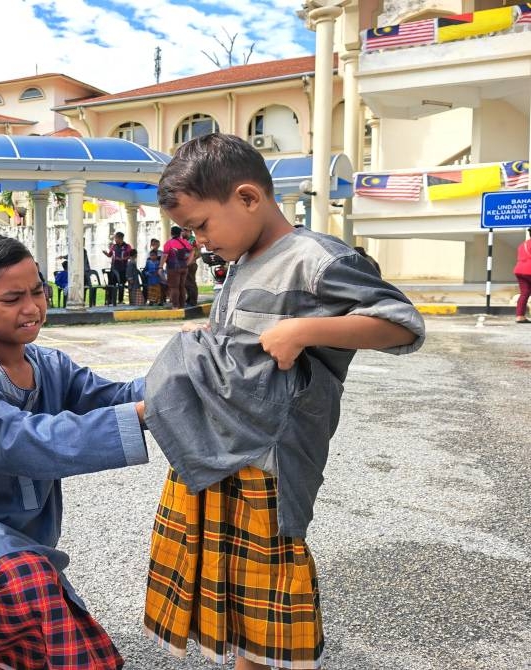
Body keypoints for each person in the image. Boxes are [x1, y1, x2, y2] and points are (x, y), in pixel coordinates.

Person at [142, 133, 425, 670]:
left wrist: (304, 330)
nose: (199, 240)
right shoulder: (243, 258)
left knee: (269, 579)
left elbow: (402, 326)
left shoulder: (315, 259)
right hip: (217, 447)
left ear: (248, 198)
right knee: (233, 585)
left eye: (201, 225)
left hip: (269, 459)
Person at [0, 235, 148, 670]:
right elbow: (14, 440)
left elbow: (116, 396)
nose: (32, 307)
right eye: (11, 298)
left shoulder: (51, 365)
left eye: (38, 290)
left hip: (26, 549)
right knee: (32, 597)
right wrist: (138, 414)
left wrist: (185, 372)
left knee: (67, 647)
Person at [160, 225, 193, 308]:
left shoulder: (168, 243)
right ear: (179, 233)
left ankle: (175, 306)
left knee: (174, 287)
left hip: (173, 268)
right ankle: (182, 305)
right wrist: (188, 262)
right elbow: (192, 250)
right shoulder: (184, 242)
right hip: (184, 267)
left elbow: (165, 256)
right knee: (182, 286)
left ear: (171, 233)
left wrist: (160, 266)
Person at [102, 231, 132, 304]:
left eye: (116, 238)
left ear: (120, 238)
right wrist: (106, 254)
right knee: (112, 284)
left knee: (121, 283)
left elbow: (131, 255)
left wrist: (123, 259)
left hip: (123, 268)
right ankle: (111, 300)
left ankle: (120, 300)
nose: (115, 240)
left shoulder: (127, 246)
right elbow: (110, 255)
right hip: (114, 268)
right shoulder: (114, 246)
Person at [515, 228, 531, 323]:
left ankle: (520, 316)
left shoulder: (523, 245)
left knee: (524, 293)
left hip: (519, 270)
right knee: (525, 293)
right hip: (529, 270)